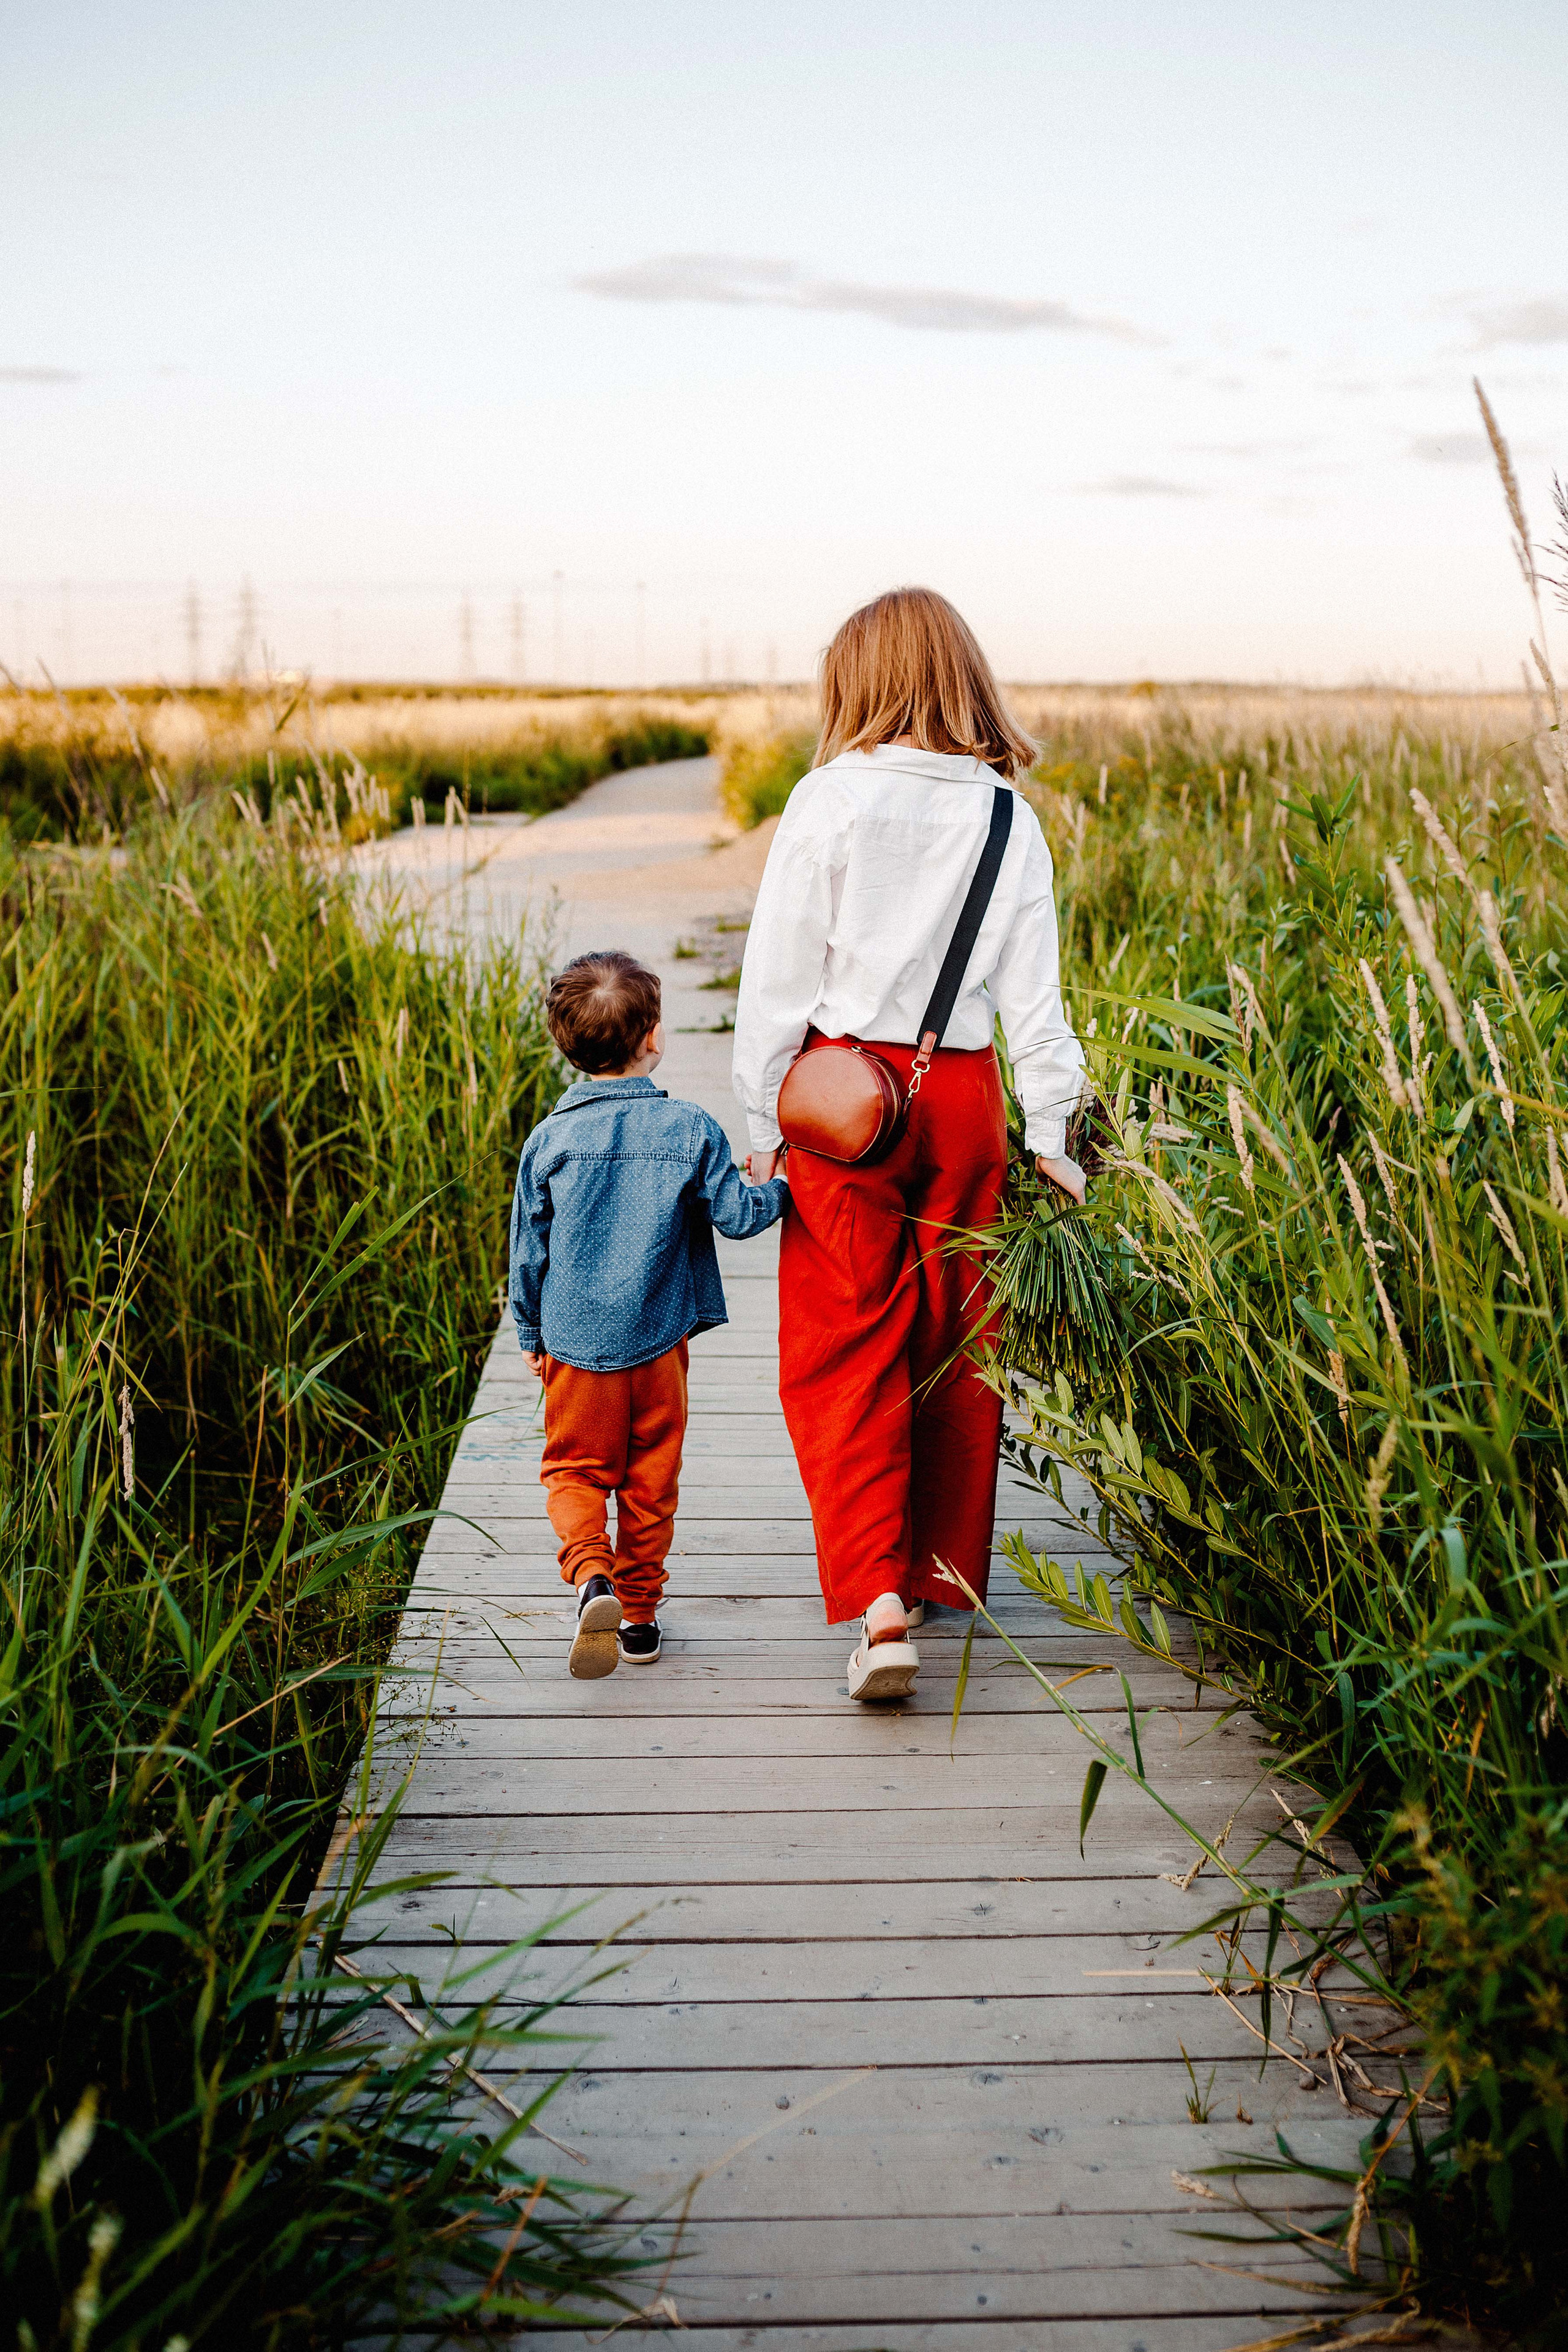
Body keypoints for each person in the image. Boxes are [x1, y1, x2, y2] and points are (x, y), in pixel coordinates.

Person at [731, 587, 1087, 1703]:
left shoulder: (826, 801)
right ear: (960, 676)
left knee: (845, 1345)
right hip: (965, 1097)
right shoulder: (1005, 816)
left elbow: (778, 974)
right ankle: (936, 1573)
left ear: (860, 685)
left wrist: (759, 1119)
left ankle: (881, 1606)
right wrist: (1055, 1126)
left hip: (845, 1101)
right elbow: (1038, 994)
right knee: (954, 1339)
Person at [510, 951, 788, 1678]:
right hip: (660, 1348)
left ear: (565, 1045)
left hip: (575, 1350)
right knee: (649, 1483)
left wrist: (531, 1336)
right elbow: (739, 1216)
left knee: (573, 1472)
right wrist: (782, 1184)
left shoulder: (549, 1141)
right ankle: (636, 1619)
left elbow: (527, 1254)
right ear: (654, 1038)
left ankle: (590, 1577)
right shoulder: (690, 1130)